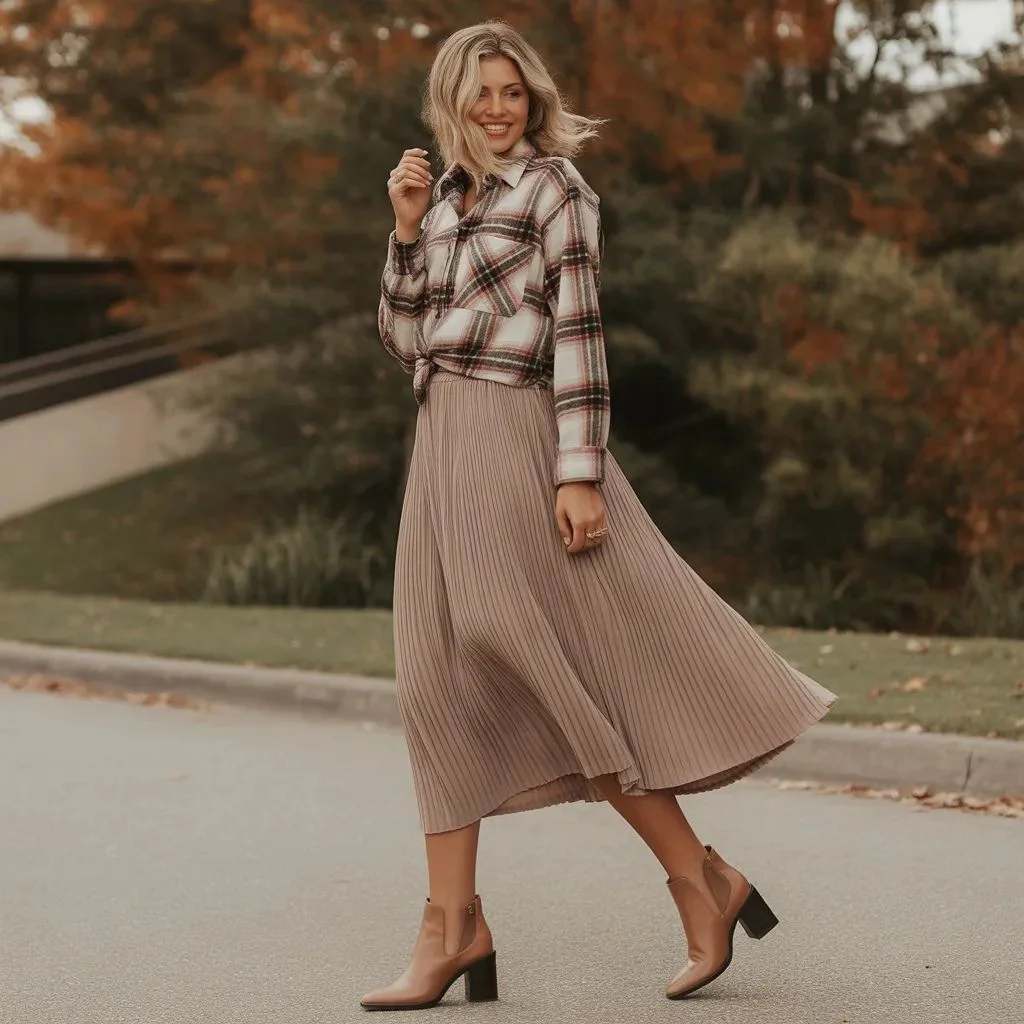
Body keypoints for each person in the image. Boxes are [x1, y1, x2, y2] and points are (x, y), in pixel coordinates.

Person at [361, 19, 836, 1012]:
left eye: (513, 93)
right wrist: (404, 232)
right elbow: (406, 341)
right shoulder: (441, 198)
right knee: (431, 678)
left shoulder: (556, 191)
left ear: (530, 100)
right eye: (481, 93)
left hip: (515, 436)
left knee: (523, 650)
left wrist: (578, 469)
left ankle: (698, 878)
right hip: (439, 443)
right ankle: (453, 926)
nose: (499, 110)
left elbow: (577, 330)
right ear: (449, 101)